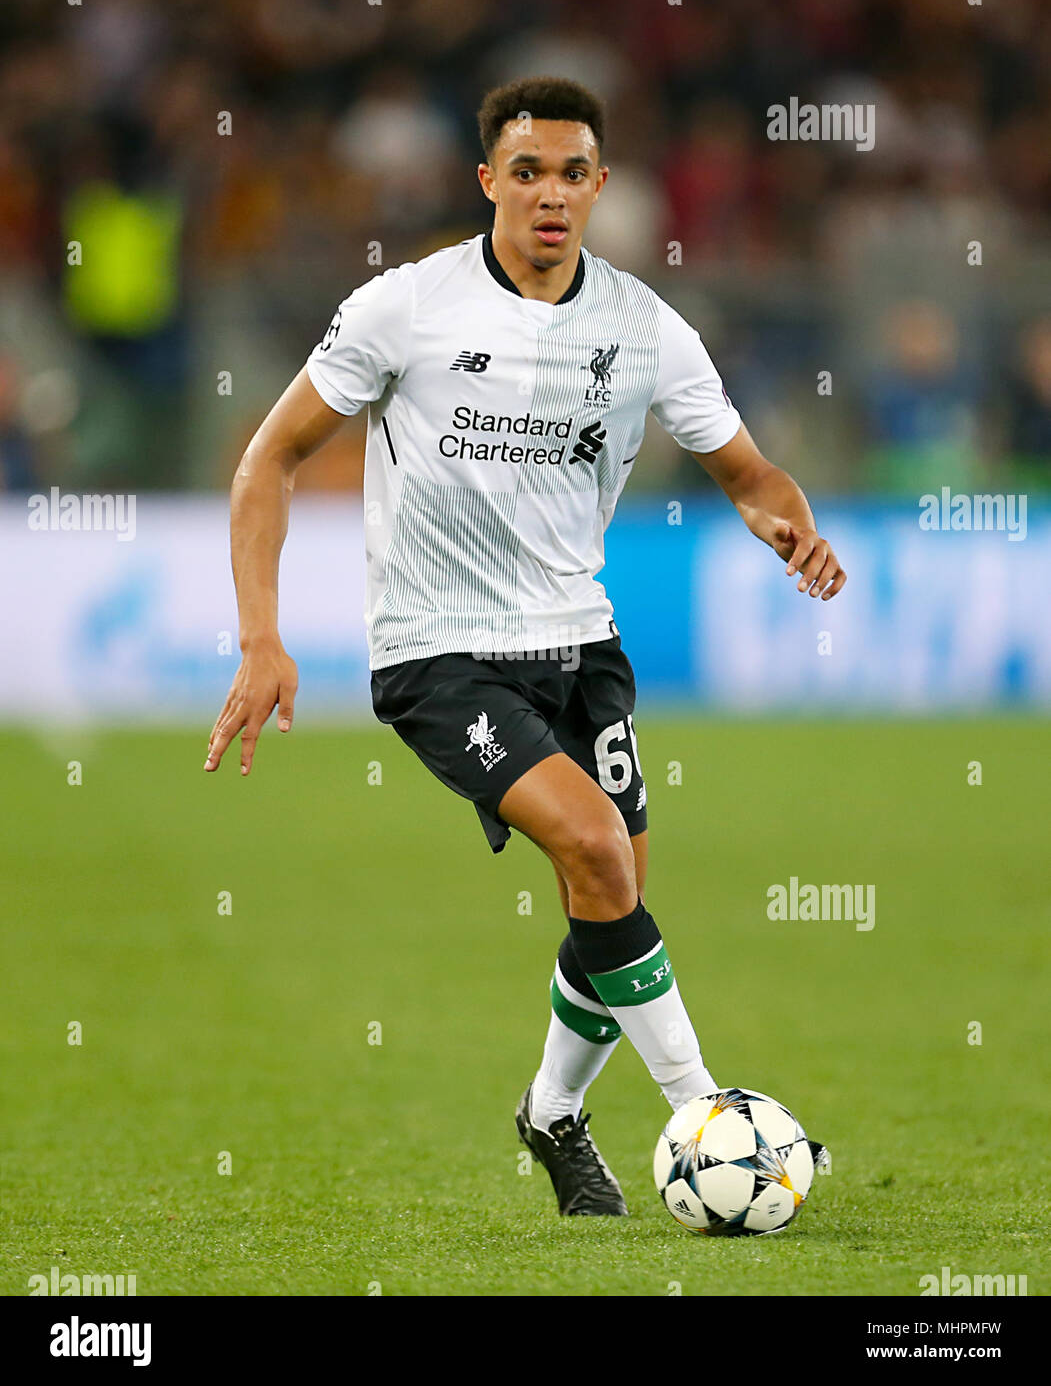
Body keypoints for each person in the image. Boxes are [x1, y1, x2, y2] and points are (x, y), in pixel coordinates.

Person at [205, 77, 845, 1218]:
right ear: (488, 180)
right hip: (439, 653)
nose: (551, 194)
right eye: (528, 171)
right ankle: (708, 1117)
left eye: (573, 174)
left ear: (601, 186)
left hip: (579, 641)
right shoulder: (406, 307)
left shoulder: (645, 330)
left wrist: (782, 518)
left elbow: (749, 473)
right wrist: (261, 633)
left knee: (614, 894)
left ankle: (551, 1114)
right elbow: (271, 458)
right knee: (597, 850)